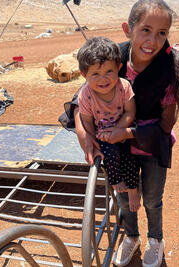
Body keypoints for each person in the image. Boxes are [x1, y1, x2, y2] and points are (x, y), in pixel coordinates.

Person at [69, 1, 179, 266]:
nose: (153, 40)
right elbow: (81, 100)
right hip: (117, 146)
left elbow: (165, 124)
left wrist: (125, 133)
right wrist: (83, 133)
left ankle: (155, 239)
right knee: (124, 197)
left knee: (151, 198)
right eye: (146, 30)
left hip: (151, 144)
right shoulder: (111, 59)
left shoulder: (169, 68)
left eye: (162, 32)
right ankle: (131, 236)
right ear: (128, 29)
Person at [76, 36, 141, 212]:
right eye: (95, 74)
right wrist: (93, 139)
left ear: (119, 67)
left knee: (131, 157)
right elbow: (87, 121)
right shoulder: (86, 95)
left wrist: (120, 130)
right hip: (103, 135)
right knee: (109, 156)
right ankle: (116, 181)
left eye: (109, 72)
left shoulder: (124, 86)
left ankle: (134, 189)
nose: (103, 79)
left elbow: (130, 112)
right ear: (84, 75)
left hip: (123, 128)